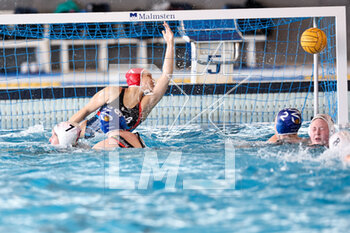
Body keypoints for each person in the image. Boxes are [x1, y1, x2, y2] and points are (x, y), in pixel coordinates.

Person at [51, 22, 174, 149]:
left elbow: (166, 76)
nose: (153, 80)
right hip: (88, 134)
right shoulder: (112, 92)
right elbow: (86, 110)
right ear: (139, 80)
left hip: (115, 141)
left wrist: (170, 44)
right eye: (149, 76)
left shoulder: (145, 104)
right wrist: (65, 131)